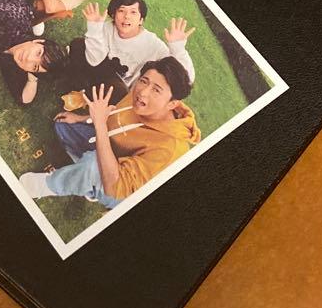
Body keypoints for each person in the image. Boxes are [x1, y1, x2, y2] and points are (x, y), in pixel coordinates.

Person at [19, 57, 200, 209]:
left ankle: (50, 185)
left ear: (172, 104)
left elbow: (118, 185)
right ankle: (88, 180)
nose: (143, 92)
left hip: (121, 189)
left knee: (92, 166)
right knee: (63, 126)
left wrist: (98, 125)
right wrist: (82, 119)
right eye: (144, 81)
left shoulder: (170, 148)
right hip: (110, 147)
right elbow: (113, 117)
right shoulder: (139, 97)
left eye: (156, 90)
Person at [63, 0, 196, 121]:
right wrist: (95, 29)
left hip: (121, 88)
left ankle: (85, 97)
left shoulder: (153, 45)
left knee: (118, 90)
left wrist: (177, 48)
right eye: (121, 11)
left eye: (133, 12)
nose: (126, 17)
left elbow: (186, 79)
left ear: (141, 20)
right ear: (113, 15)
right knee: (79, 44)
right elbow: (94, 60)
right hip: (102, 69)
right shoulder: (107, 28)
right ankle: (79, 84)